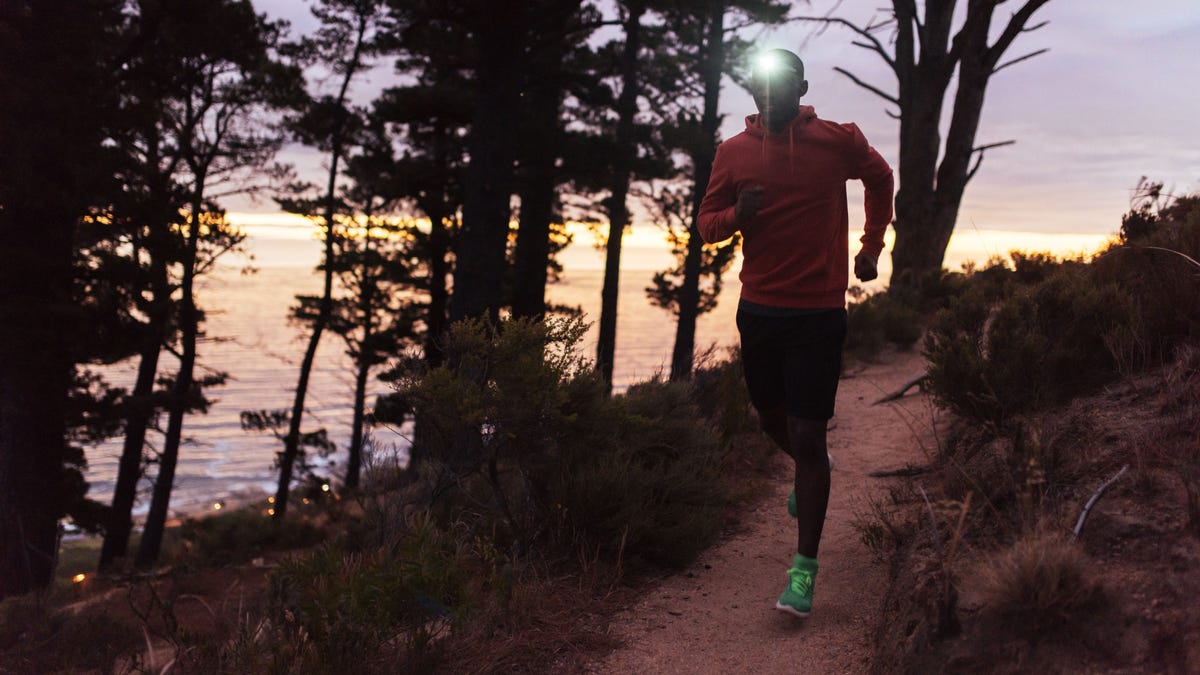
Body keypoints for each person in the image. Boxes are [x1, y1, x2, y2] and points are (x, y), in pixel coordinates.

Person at [696, 48, 894, 619]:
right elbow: (706, 226)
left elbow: (880, 179)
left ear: (801, 86)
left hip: (818, 311)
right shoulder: (733, 153)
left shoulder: (838, 141)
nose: (770, 94)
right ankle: (817, 470)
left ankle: (802, 573)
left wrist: (872, 246)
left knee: (808, 437)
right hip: (759, 310)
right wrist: (740, 216)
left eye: (781, 84)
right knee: (770, 419)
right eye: (760, 84)